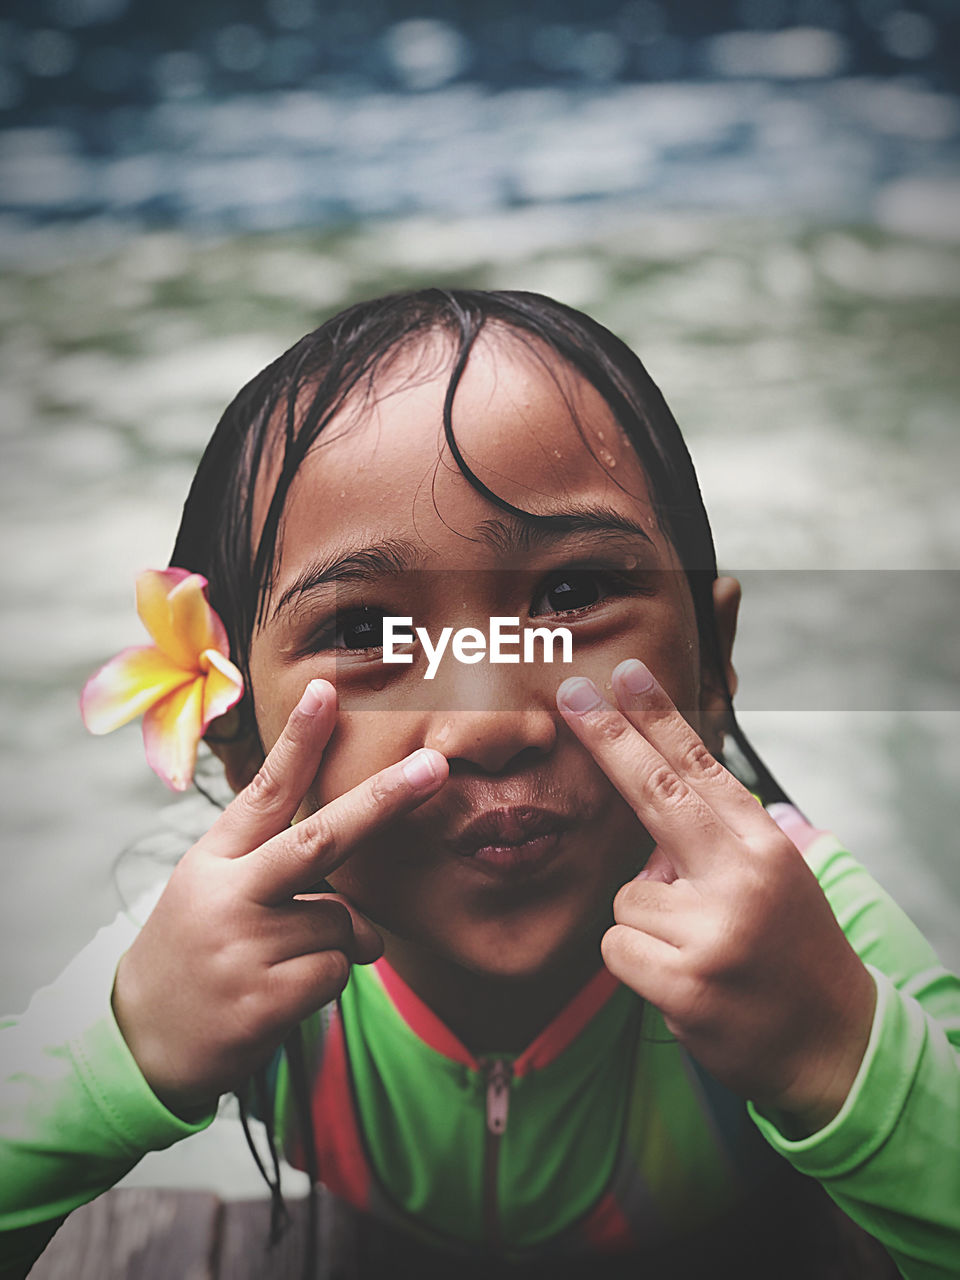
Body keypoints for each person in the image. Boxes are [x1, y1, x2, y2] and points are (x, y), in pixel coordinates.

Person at [1, 289, 958, 1279]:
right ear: (237, 740)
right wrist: (126, 1053)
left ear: (712, 663)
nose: (491, 723)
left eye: (573, 594)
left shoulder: (800, 938)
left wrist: (840, 1049)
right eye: (366, 631)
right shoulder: (213, 956)